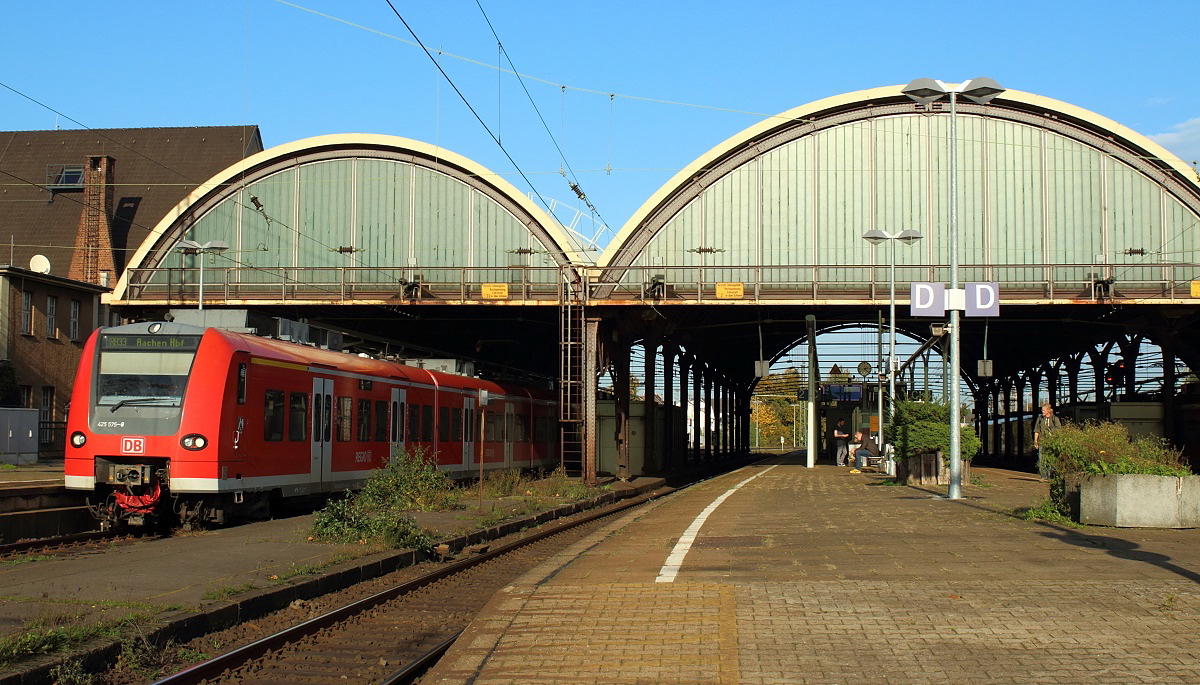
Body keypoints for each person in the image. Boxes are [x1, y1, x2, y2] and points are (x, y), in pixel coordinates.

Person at [1032, 403, 1061, 481]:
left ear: (1049, 410)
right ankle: (1043, 476)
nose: (1042, 412)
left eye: (1044, 410)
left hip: (1052, 442)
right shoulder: (1040, 419)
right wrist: (1035, 441)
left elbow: (1059, 430)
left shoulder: (1055, 419)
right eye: (1042, 410)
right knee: (1041, 459)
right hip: (1042, 442)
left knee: (1051, 459)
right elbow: (1036, 431)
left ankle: (1050, 476)